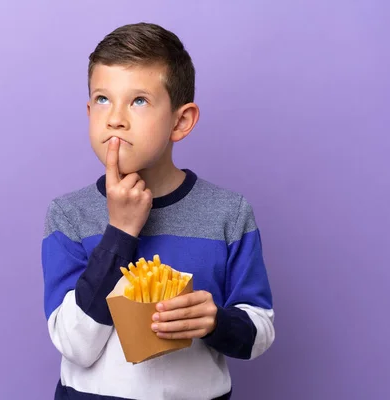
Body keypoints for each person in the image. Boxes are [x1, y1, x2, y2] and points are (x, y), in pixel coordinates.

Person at [41, 22, 275, 400]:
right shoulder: (69, 214)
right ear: (88, 111)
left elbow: (259, 332)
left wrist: (215, 321)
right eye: (103, 99)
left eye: (139, 101)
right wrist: (119, 232)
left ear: (180, 122)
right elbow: (75, 345)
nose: (115, 118)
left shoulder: (228, 213)